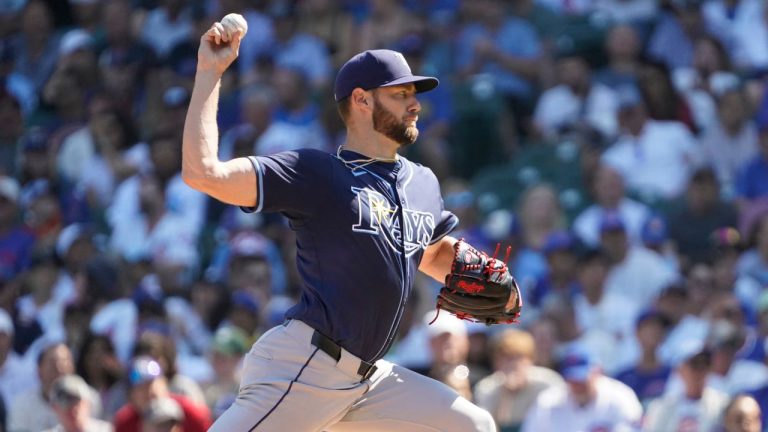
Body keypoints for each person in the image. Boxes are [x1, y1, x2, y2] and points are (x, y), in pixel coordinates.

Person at [182, 16, 520, 431]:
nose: (414, 103)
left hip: (370, 380)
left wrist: (487, 280)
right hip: (306, 367)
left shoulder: (423, 182)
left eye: (414, 93)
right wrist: (209, 73)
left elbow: (430, 253)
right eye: (400, 94)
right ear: (361, 100)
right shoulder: (316, 172)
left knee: (472, 425)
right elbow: (203, 173)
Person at [43, 374, 113, 432]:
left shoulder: (107, 430)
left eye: (76, 402)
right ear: (55, 408)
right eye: (65, 403)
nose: (72, 409)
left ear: (87, 403)